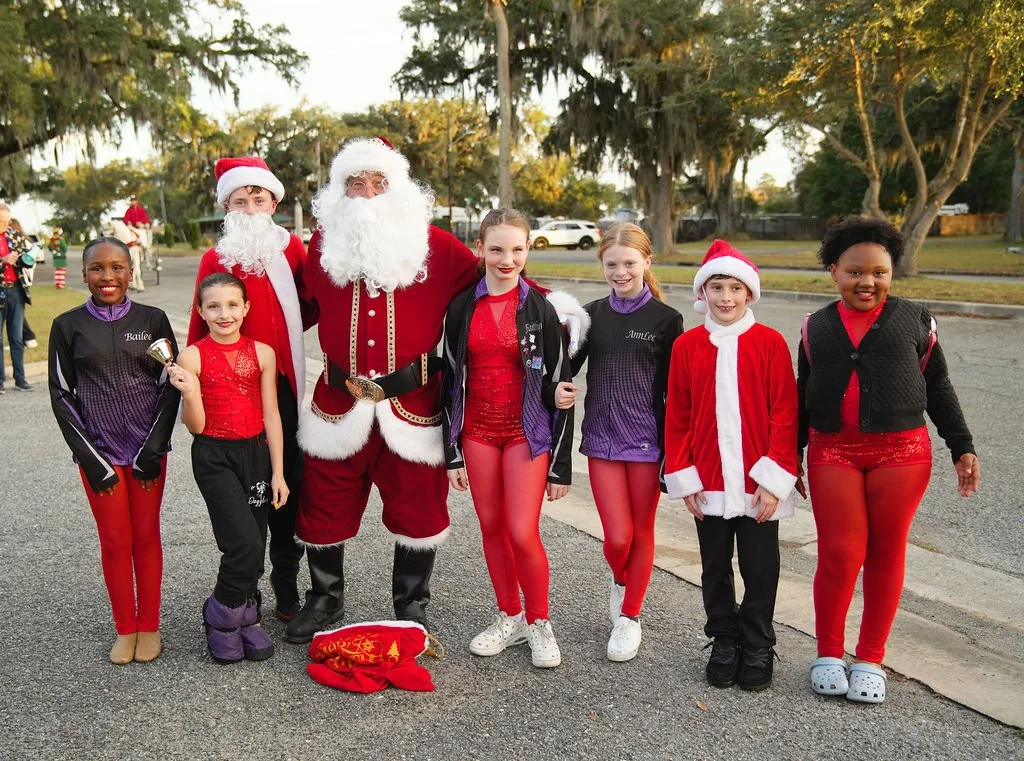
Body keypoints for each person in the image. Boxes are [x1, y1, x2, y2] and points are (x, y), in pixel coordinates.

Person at [288, 136, 587, 644]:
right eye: (354, 183)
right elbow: (295, 308)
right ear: (339, 191)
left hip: (416, 405)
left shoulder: (439, 247)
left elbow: (499, 278)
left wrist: (554, 309)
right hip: (338, 403)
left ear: (398, 188)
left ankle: (411, 604)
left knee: (418, 508)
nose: (366, 193)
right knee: (323, 501)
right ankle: (324, 597)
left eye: (378, 182)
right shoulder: (321, 246)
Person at [799, 217, 980, 704]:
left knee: (885, 552)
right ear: (834, 270)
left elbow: (938, 386)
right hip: (833, 448)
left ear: (891, 272)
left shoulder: (916, 318)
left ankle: (871, 658)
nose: (868, 282)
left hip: (901, 453)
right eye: (855, 271)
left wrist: (961, 445)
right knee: (840, 553)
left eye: (879, 272)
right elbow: (804, 393)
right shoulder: (815, 326)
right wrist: (788, 456)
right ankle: (829, 652)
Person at [441, 208, 575, 669]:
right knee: (492, 528)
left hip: (526, 433)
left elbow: (563, 386)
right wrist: (452, 453)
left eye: (517, 249)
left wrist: (560, 465)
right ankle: (510, 616)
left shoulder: (542, 307)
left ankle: (540, 622)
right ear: (480, 248)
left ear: (527, 250)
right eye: (496, 249)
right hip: (477, 433)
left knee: (522, 530)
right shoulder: (461, 307)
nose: (507, 259)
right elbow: (450, 382)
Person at [664, 240, 799, 692]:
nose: (726, 297)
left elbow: (785, 413)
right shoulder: (686, 346)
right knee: (714, 565)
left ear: (749, 293)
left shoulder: (769, 343)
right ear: (704, 293)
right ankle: (724, 638)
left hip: (757, 482)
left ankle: (757, 643)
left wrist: (775, 480)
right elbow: (678, 415)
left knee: (761, 567)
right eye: (716, 287)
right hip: (709, 481)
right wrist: (684, 477)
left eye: (735, 288)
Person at [187, 156, 308, 622]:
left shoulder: (293, 249)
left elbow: (308, 305)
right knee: (245, 491)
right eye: (241, 200)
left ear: (274, 202)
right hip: (230, 390)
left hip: (280, 384)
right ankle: (245, 587)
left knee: (287, 485)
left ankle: (286, 580)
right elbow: (200, 325)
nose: (252, 207)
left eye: (260, 199)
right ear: (227, 207)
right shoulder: (214, 259)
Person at [555, 223, 684, 662]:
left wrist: (675, 449)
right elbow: (563, 367)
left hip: (647, 442)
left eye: (630, 263)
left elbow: (675, 389)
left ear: (647, 262)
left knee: (640, 531)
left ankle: (629, 617)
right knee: (616, 538)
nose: (621, 271)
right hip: (602, 440)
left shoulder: (666, 320)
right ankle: (623, 580)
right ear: (603, 265)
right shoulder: (591, 316)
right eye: (613, 264)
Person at [48, 237, 180, 664]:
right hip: (99, 454)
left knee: (146, 538)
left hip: (146, 453)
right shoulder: (68, 326)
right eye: (98, 269)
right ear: (84, 273)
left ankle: (150, 626)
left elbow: (169, 386)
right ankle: (125, 627)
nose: (108, 277)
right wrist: (90, 458)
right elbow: (61, 394)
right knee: (115, 541)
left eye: (118, 267)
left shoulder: (153, 319)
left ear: (130, 270)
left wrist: (154, 448)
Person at [167, 272, 288, 664]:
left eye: (232, 305)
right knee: (241, 542)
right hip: (214, 455)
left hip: (256, 453)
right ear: (200, 311)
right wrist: (189, 392)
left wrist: (279, 472)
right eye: (214, 306)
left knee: (258, 540)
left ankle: (247, 614)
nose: (224, 313)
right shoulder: (193, 356)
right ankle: (220, 614)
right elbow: (196, 426)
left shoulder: (263, 353)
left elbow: (271, 414)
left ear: (246, 308)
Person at [0, 203, 36, 392]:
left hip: (16, 290)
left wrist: (26, 258)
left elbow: (31, 253)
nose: (6, 225)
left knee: (16, 337)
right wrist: (3, 260)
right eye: (1, 221)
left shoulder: (13, 236)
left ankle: (20, 379)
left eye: (7, 221)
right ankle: (0, 382)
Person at [110, 218, 145, 292]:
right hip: (128, 227)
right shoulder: (128, 212)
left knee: (136, 266)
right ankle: (132, 283)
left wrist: (138, 223)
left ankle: (139, 284)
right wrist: (128, 223)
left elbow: (144, 219)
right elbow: (126, 220)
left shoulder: (139, 210)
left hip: (136, 228)